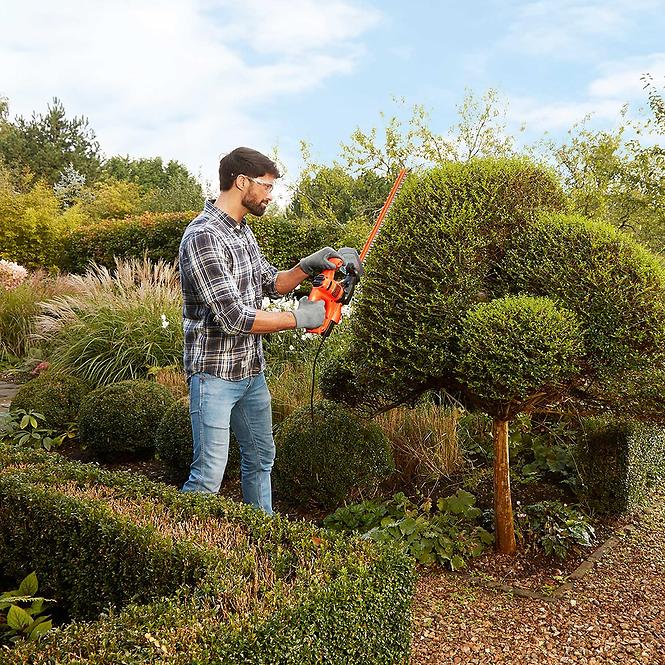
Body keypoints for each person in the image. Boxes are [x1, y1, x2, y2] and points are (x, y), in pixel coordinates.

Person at [178, 147, 342, 514]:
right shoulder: (203, 237)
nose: (270, 195)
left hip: (251, 373)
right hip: (214, 375)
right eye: (267, 187)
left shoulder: (241, 232)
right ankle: (178, 555)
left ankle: (261, 539)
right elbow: (234, 317)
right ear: (242, 182)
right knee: (208, 476)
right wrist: (299, 319)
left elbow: (272, 283)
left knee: (261, 460)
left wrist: (306, 266)